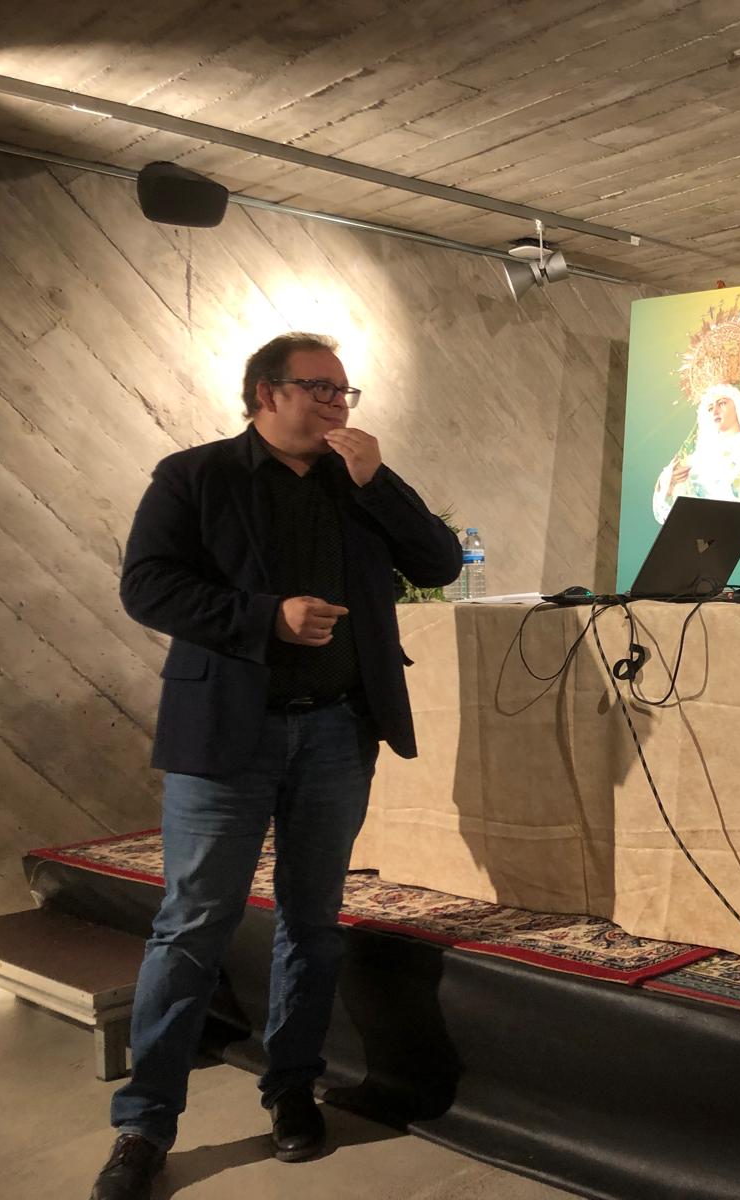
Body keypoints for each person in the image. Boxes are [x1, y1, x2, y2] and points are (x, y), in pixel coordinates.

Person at [92, 334, 462, 1200]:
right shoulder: (195, 476)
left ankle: (292, 1087)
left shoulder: (358, 481)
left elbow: (440, 563)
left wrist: (379, 481)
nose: (337, 403)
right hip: (226, 734)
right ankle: (145, 1124)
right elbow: (147, 586)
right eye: (319, 387)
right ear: (266, 392)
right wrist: (266, 618)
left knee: (312, 920)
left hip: (336, 731)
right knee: (192, 925)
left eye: (345, 391)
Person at [651, 382, 740, 522]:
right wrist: (669, 486)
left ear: (739, 404)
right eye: (710, 408)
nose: (715, 411)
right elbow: (671, 515)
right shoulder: (699, 460)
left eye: (722, 403)